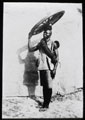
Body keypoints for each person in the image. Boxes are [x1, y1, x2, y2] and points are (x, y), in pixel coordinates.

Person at [28, 24, 60, 111]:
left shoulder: (53, 44)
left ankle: (46, 105)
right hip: (42, 67)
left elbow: (57, 58)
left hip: (49, 68)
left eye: (47, 33)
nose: (45, 34)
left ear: (50, 33)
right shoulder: (41, 43)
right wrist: (29, 38)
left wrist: (54, 69)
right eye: (44, 33)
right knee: (44, 86)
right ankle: (45, 103)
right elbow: (31, 49)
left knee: (48, 86)